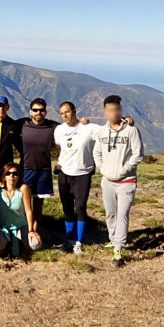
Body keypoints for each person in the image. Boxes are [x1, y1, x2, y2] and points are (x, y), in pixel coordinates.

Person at [93, 95, 144, 267]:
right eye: (111, 110)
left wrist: (124, 169)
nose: (114, 113)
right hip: (107, 180)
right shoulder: (101, 131)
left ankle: (118, 248)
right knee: (110, 213)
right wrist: (101, 168)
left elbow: (138, 154)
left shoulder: (131, 130)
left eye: (117, 109)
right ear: (105, 112)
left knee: (122, 214)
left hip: (126, 181)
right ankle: (113, 239)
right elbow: (96, 152)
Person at [54, 101, 100, 254]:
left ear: (74, 111)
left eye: (67, 112)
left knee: (80, 207)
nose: (65, 115)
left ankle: (79, 242)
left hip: (82, 174)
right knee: (67, 208)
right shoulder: (59, 130)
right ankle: (69, 240)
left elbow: (109, 130)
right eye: (62, 113)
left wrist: (125, 121)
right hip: (64, 173)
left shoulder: (88, 128)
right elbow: (60, 147)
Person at [15, 98, 59, 235]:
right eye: (35, 110)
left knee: (38, 204)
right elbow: (2, 120)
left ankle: (35, 231)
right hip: (26, 169)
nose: (38, 112)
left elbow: (71, 128)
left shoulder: (53, 126)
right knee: (22, 203)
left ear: (45, 112)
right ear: (30, 111)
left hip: (44, 170)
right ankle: (23, 230)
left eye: (41, 110)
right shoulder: (22, 124)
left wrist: (82, 122)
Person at [0, 163, 42, 258]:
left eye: (15, 173)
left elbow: (29, 211)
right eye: (8, 173)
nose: (11, 176)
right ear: (4, 176)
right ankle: (7, 245)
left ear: (19, 176)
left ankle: (17, 244)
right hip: (2, 226)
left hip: (20, 225)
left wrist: (31, 230)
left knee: (35, 244)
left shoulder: (23, 189)